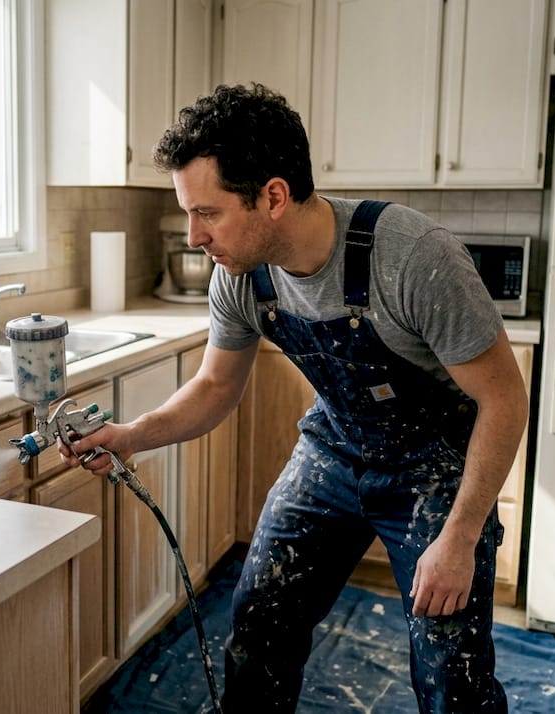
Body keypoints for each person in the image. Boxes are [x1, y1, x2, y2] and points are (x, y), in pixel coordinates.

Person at [60, 83, 528, 713]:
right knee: (258, 628)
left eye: (208, 213)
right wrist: (130, 434)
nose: (195, 236)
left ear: (273, 196)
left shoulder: (414, 259)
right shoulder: (239, 275)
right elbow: (214, 386)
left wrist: (461, 536)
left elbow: (504, 402)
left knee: (452, 672)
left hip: (434, 466)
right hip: (334, 449)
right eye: (188, 214)